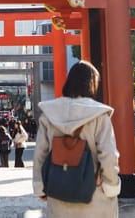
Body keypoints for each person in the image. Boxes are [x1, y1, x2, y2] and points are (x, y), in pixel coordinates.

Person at [32, 60, 120, 215]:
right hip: (94, 193)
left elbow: (40, 153)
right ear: (92, 84)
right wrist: (111, 185)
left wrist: (40, 186)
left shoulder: (49, 114)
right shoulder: (99, 115)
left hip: (58, 190)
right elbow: (108, 154)